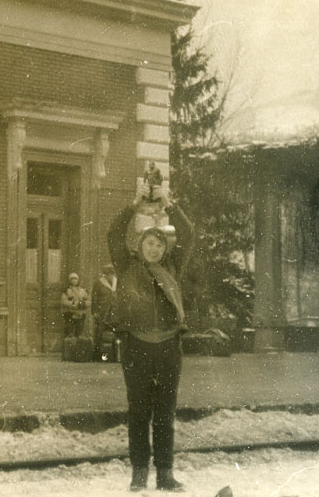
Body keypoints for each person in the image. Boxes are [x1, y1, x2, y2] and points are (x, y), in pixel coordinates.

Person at [108, 185, 194, 492]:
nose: (155, 248)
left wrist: (168, 204)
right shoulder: (126, 266)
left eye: (159, 244)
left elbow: (188, 233)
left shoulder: (172, 267)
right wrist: (134, 206)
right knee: (139, 412)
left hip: (169, 348)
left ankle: (165, 474)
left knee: (165, 414)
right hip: (136, 349)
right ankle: (139, 472)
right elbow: (114, 233)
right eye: (149, 243)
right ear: (140, 245)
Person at [91, 263, 118, 360]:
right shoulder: (98, 283)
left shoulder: (117, 283)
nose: (110, 276)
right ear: (104, 275)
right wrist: (94, 312)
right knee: (99, 334)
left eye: (111, 274)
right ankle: (98, 356)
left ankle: (114, 356)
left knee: (116, 334)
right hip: (102, 312)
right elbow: (94, 298)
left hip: (115, 313)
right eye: (107, 274)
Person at [60, 272, 90, 338]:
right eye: (72, 279)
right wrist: (74, 304)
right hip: (70, 314)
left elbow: (89, 301)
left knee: (79, 333)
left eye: (75, 278)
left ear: (78, 280)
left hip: (80, 314)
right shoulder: (67, 290)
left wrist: (84, 304)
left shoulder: (83, 290)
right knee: (69, 333)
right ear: (69, 280)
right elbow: (64, 301)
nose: (74, 280)